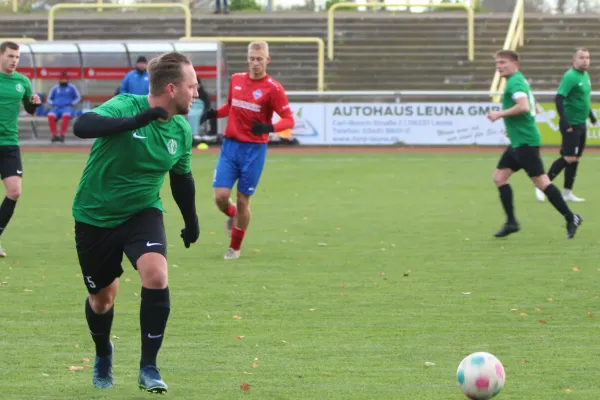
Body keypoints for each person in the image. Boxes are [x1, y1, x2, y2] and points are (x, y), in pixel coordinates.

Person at [71, 51, 200, 393]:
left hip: (143, 212)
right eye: (193, 86)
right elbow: (81, 126)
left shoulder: (181, 131)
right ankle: (103, 352)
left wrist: (192, 220)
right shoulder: (126, 105)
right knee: (102, 300)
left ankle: (149, 367)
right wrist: (136, 121)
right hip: (94, 216)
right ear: (172, 89)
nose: (197, 93)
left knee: (156, 275)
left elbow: (181, 178)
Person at [201, 41, 294, 259]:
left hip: (254, 150)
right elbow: (231, 107)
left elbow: (289, 120)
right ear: (247, 58)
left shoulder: (273, 88)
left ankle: (234, 247)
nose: (255, 63)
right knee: (221, 197)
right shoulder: (236, 79)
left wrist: (269, 127)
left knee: (243, 199)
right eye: (252, 58)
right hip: (230, 146)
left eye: (259, 59)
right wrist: (214, 113)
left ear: (267, 60)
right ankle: (232, 214)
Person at [487, 49, 582, 239]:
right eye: (497, 63)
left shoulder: (515, 82)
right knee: (499, 177)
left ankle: (571, 217)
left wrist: (499, 114)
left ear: (515, 64)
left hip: (525, 143)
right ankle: (511, 222)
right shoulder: (518, 80)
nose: (499, 66)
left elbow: (524, 106)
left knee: (542, 183)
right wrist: (512, 128)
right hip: (518, 141)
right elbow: (530, 111)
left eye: (503, 62)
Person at [536, 47, 595, 203]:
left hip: (581, 123)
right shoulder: (570, 76)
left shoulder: (586, 75)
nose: (585, 60)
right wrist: (564, 120)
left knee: (575, 158)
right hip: (571, 124)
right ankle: (542, 185)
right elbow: (559, 98)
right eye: (582, 57)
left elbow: (583, 98)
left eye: (587, 57)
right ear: (574, 60)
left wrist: (591, 116)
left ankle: (567, 192)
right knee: (568, 157)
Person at [0, 41, 41, 257]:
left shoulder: (22, 81)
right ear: (1, 56)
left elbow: (30, 108)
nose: (14, 60)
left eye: (17, 57)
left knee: (14, 191)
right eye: (10, 56)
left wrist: (34, 102)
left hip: (9, 143)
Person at [47, 71, 81, 143]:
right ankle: (54, 135)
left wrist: (72, 103)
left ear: (67, 79)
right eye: (61, 79)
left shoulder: (72, 87)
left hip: (67, 108)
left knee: (66, 116)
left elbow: (78, 97)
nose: (63, 80)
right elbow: (49, 99)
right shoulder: (55, 88)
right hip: (56, 108)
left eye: (64, 79)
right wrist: (53, 103)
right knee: (50, 116)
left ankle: (62, 135)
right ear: (59, 80)